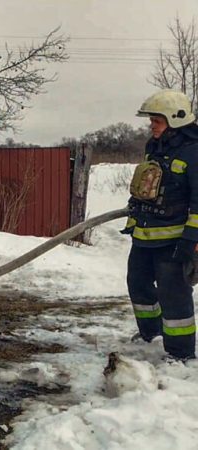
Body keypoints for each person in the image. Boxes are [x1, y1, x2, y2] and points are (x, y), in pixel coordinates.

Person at [124, 89, 198, 362]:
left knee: (173, 293)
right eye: (151, 119)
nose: (152, 125)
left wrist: (191, 240)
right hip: (145, 234)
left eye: (157, 120)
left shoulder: (194, 152)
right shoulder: (153, 147)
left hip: (175, 240)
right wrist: (134, 221)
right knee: (138, 282)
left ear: (175, 119)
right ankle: (151, 333)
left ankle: (181, 353)